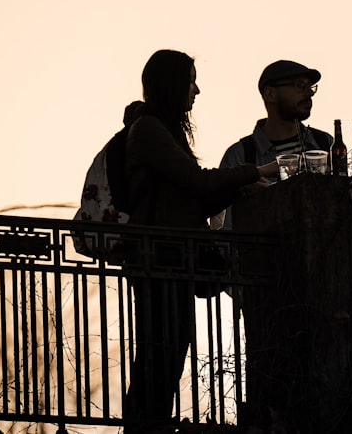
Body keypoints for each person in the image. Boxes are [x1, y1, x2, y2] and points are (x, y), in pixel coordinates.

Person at [121, 49, 277, 434]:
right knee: (160, 351)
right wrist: (254, 170)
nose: (197, 90)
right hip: (156, 259)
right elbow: (196, 182)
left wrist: (241, 189)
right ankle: (145, 426)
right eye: (191, 80)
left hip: (173, 260)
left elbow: (197, 197)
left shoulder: (162, 130)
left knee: (171, 347)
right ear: (172, 84)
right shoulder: (149, 129)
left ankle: (150, 423)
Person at [215, 60, 334, 229]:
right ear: (270, 94)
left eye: (311, 87)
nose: (309, 93)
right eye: (299, 86)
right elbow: (224, 226)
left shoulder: (324, 143)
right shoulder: (240, 155)